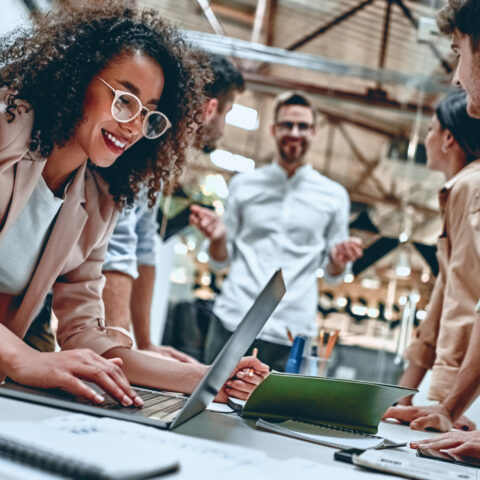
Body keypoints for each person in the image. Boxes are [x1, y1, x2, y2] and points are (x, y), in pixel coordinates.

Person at [0, 1, 267, 406]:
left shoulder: (98, 201)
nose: (134, 126)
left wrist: (209, 377)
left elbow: (87, 334)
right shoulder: (7, 127)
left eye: (150, 115)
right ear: (76, 77)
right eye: (125, 99)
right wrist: (24, 358)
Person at [190, 91, 363, 371]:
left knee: (277, 413)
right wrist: (219, 238)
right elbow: (220, 259)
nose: (295, 132)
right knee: (211, 405)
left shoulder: (335, 196)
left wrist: (338, 260)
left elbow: (334, 276)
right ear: (273, 129)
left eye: (303, 126)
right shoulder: (244, 185)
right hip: (234, 320)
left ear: (315, 132)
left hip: (292, 330)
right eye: (287, 125)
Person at [101, 53, 245, 360]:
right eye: (227, 113)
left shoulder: (162, 156)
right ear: (210, 109)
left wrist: (144, 343)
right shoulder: (142, 143)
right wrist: (122, 353)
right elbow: (119, 245)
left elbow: (143, 245)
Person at [382, 91, 480, 432]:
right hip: (459, 388)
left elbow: (467, 300)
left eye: (430, 129)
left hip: (468, 390)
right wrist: (404, 394)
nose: (426, 138)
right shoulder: (460, 189)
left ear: (448, 137)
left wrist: (448, 404)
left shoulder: (472, 186)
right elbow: (444, 296)